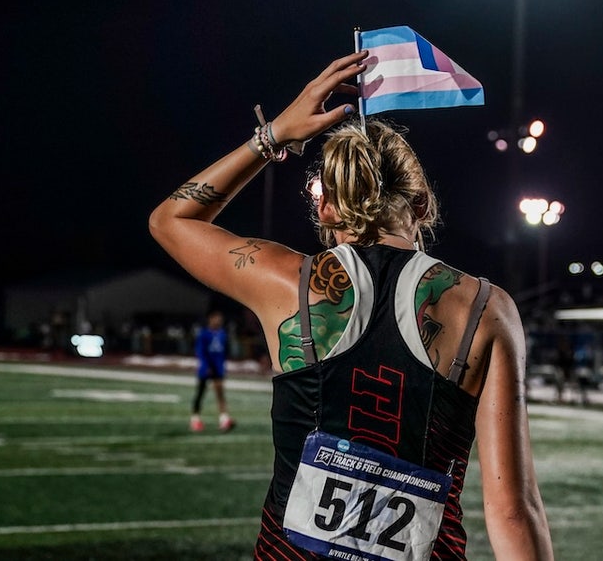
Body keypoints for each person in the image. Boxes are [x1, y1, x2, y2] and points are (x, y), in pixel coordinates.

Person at [148, 50, 554, 560]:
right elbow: (514, 509)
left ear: (322, 206)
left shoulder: (288, 283)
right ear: (423, 204)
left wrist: (274, 135)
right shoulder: (485, 309)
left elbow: (171, 220)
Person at [190, 309, 235, 432]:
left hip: (218, 367)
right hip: (206, 368)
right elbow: (200, 352)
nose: (219, 321)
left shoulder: (222, 334)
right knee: (200, 393)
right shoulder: (204, 334)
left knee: (220, 393)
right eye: (216, 318)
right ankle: (195, 419)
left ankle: (224, 419)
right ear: (210, 318)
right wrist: (206, 366)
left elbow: (224, 351)